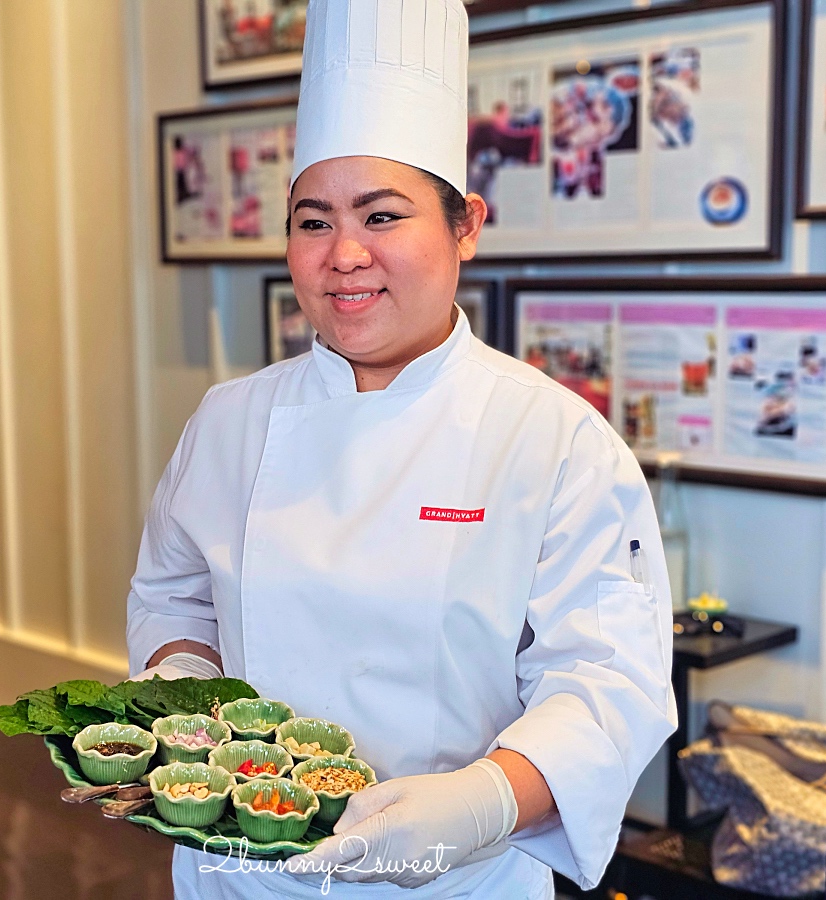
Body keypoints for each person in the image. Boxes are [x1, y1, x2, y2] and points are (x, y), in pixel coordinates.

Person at [127, 1, 676, 896]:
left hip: (453, 881)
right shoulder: (229, 422)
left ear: (466, 227)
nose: (344, 255)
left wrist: (483, 803)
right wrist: (184, 683)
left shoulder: (553, 437)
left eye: (382, 217)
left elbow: (608, 681)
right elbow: (173, 593)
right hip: (242, 874)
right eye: (313, 222)